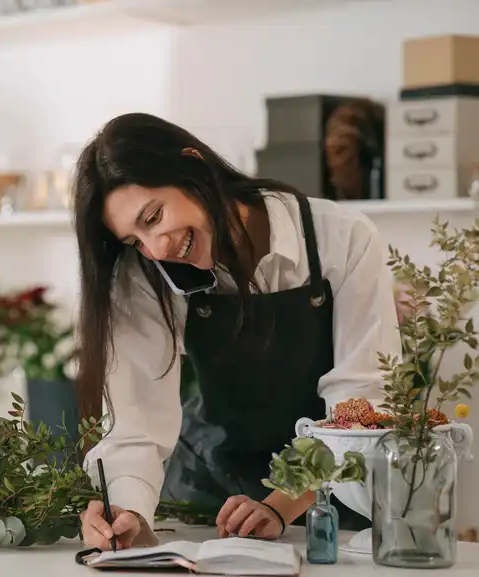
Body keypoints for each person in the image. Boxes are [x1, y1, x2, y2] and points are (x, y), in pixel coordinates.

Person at [72, 112, 401, 550]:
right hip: (209, 504)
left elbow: (358, 410)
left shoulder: (342, 239)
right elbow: (137, 424)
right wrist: (125, 512)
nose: (155, 249)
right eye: (134, 241)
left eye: (153, 217)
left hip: (327, 505)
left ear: (192, 165)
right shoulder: (144, 276)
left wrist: (279, 507)